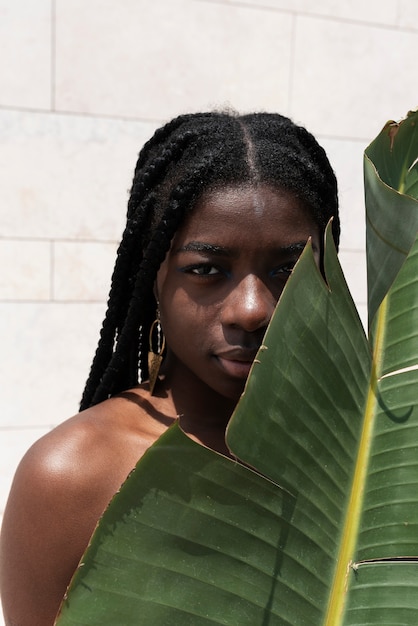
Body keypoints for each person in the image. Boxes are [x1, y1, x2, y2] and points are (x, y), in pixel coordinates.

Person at [0, 110, 339, 625]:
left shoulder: (363, 462)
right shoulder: (72, 477)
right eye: (206, 270)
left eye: (287, 270)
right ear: (155, 279)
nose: (252, 309)